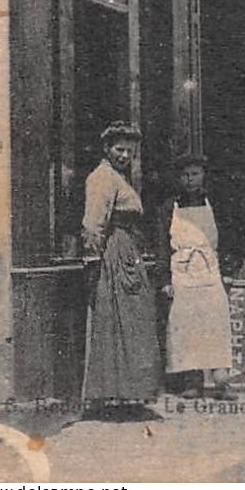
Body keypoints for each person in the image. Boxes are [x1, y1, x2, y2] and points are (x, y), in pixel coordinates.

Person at [81, 121, 162, 416]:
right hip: (113, 254)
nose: (125, 155)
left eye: (130, 151)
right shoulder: (102, 178)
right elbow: (93, 223)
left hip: (127, 250)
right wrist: (94, 261)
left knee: (133, 322)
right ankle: (114, 397)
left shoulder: (118, 177)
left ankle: (128, 395)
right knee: (118, 321)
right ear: (106, 148)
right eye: (119, 149)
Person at [155, 151, 234, 399]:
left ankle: (221, 379)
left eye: (195, 174)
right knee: (186, 325)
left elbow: (229, 237)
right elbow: (161, 244)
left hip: (210, 270)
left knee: (215, 322)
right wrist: (165, 280)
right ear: (179, 178)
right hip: (182, 271)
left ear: (204, 176)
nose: (190, 180)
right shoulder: (170, 207)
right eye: (185, 175)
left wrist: (229, 271)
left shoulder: (217, 203)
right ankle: (192, 380)